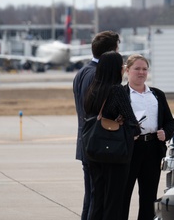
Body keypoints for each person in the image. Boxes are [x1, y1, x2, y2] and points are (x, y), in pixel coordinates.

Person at [83, 50, 140, 220]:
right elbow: (133, 124)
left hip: (94, 149)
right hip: (115, 154)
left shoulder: (93, 89)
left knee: (98, 197)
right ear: (116, 69)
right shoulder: (116, 90)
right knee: (113, 200)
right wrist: (123, 123)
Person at [72, 30, 120, 220]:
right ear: (110, 52)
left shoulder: (83, 72)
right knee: (95, 199)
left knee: (91, 197)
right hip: (96, 142)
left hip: (86, 141)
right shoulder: (97, 75)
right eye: (117, 48)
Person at [121, 54, 174, 220]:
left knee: (149, 197)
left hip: (152, 149)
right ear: (127, 70)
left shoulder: (157, 95)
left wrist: (166, 133)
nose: (141, 72)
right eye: (137, 69)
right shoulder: (121, 94)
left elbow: (170, 121)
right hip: (130, 151)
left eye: (144, 69)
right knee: (123, 195)